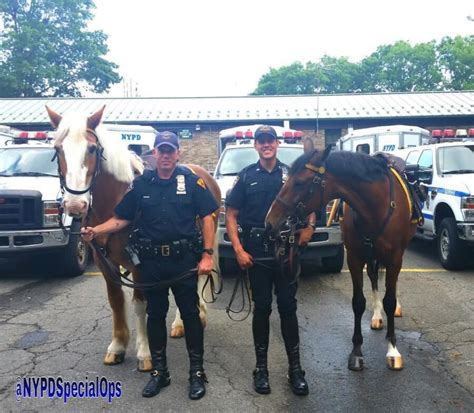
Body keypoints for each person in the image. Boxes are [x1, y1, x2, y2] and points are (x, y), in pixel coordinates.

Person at [81, 131, 218, 400]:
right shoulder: (141, 185)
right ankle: (160, 373)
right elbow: (121, 219)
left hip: (183, 260)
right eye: (161, 151)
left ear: (178, 153)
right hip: (153, 263)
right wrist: (96, 230)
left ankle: (196, 373)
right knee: (155, 317)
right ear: (154, 154)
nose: (166, 155)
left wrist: (208, 255)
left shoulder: (192, 181)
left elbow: (207, 218)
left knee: (190, 317)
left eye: (171, 151)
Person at [225, 125, 314, 396]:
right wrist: (238, 250)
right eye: (261, 141)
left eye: (270, 141)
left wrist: (309, 227)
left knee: (288, 309)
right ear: (256, 146)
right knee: (262, 309)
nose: (266, 145)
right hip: (257, 253)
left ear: (277, 144)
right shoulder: (246, 177)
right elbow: (230, 215)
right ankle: (261, 369)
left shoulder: (290, 174)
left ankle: (295, 370)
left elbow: (309, 200)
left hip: (286, 252)